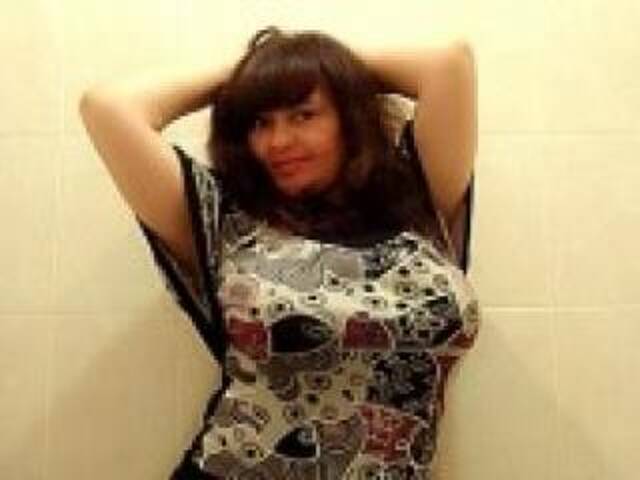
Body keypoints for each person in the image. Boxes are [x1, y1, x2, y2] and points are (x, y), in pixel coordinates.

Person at [80, 25, 480, 480]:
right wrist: (254, 70)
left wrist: (321, 63)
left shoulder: (418, 200)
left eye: (303, 114)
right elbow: (107, 107)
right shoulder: (224, 220)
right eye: (259, 122)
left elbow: (449, 64)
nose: (278, 142)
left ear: (350, 116)